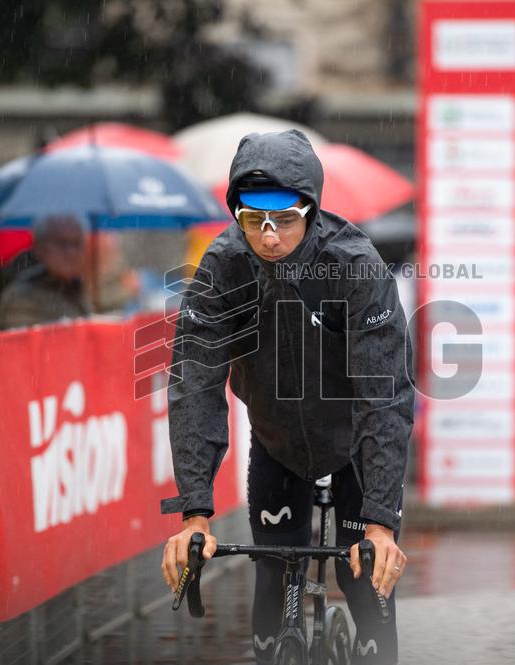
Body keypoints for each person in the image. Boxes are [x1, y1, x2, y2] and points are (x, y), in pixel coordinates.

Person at [160, 129, 414, 665]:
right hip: (276, 440)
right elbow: (195, 385)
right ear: (238, 215)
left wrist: (380, 523)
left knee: (365, 579)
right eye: (254, 220)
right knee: (273, 578)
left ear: (312, 210)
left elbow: (384, 396)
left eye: (285, 219)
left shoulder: (354, 265)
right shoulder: (222, 267)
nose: (269, 236)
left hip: (354, 445)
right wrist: (195, 513)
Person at [0, 214, 91, 330]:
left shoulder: (77, 290)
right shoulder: (21, 298)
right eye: (61, 243)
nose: (70, 252)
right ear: (39, 247)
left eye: (76, 243)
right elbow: (31, 343)